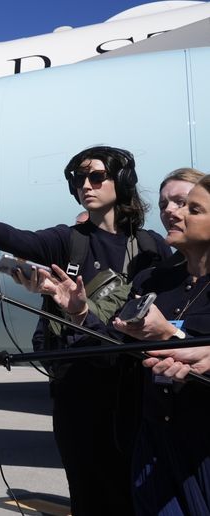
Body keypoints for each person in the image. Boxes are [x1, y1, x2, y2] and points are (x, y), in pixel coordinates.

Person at [0, 146, 170, 515]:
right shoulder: (70, 240)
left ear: (122, 181)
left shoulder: (151, 246)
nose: (86, 185)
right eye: (78, 179)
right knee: (90, 493)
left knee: (140, 494)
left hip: (133, 391)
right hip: (79, 394)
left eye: (96, 177)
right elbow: (21, 241)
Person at [46, 171, 210, 515]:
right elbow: (115, 349)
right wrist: (79, 313)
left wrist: (172, 337)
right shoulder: (153, 279)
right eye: (165, 204)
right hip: (153, 442)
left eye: (187, 206)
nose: (170, 212)